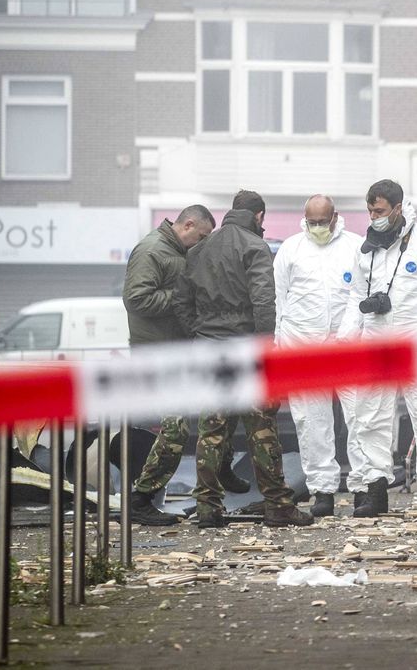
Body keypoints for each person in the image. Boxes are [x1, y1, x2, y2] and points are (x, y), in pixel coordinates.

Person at [172, 190, 313, 528]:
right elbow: (264, 303)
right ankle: (278, 505)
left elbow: (181, 301)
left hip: (211, 349)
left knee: (211, 429)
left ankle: (207, 508)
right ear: (259, 217)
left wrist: (200, 333)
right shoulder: (254, 247)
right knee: (261, 429)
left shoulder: (201, 247)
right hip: (248, 349)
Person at [123, 205, 252, 525]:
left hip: (178, 351)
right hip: (157, 354)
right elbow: (136, 299)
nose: (202, 243)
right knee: (175, 428)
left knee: (212, 413)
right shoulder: (152, 250)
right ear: (188, 225)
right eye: (202, 236)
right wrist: (185, 297)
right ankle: (140, 498)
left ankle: (218, 471)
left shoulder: (178, 251)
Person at [338, 179, 417, 514]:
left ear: (398, 207)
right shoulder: (366, 249)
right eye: (370, 210)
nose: (374, 216)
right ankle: (376, 491)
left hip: (416, 342)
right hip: (376, 343)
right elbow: (356, 298)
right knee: (370, 418)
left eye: (380, 210)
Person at [273, 194, 362, 518]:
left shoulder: (355, 246)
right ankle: (322, 491)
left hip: (348, 345)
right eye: (313, 222)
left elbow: (360, 295)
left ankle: (362, 488)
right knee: (312, 422)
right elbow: (279, 300)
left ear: (335, 217)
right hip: (303, 346)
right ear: (304, 218)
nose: (318, 228)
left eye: (323, 221)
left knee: (360, 418)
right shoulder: (291, 249)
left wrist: (349, 334)